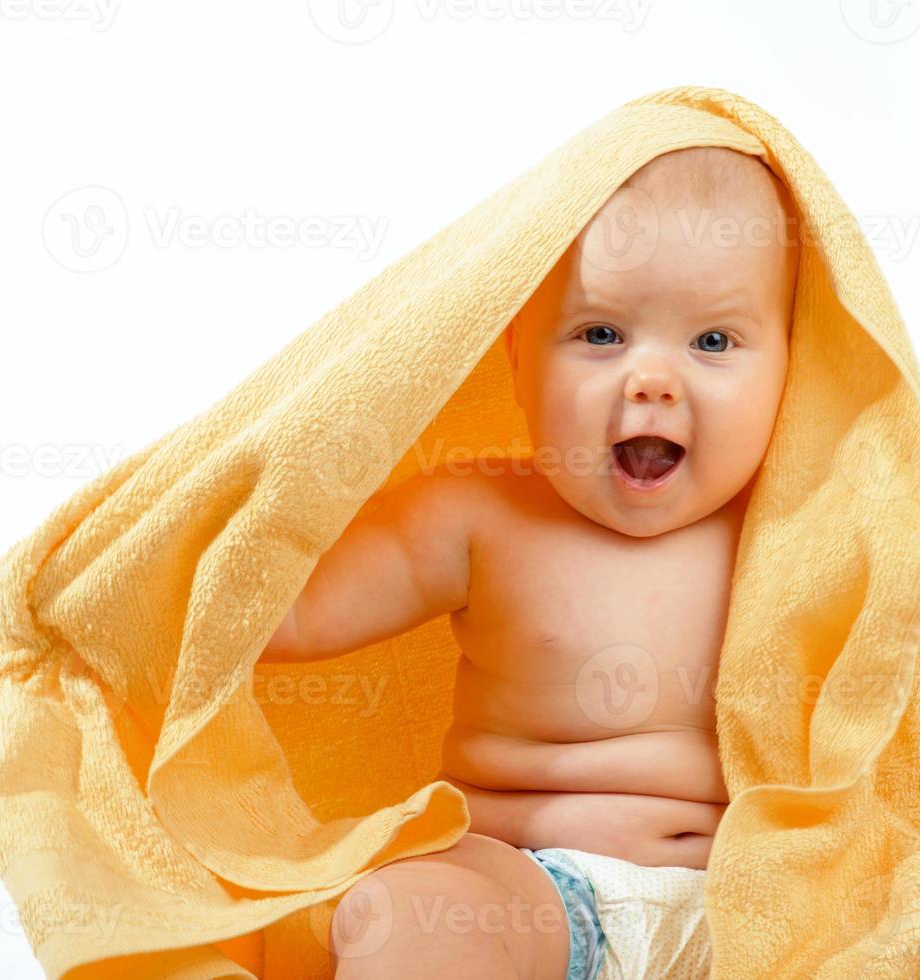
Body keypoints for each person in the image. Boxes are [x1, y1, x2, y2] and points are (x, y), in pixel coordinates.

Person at [258, 145, 800, 980]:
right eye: (600, 333)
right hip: (534, 897)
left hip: (766, 920)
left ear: (793, 368)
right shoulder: (479, 515)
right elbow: (283, 612)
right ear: (517, 358)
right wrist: (164, 574)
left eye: (715, 340)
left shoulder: (810, 527)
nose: (651, 378)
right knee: (407, 913)